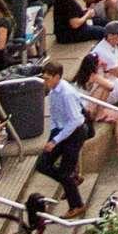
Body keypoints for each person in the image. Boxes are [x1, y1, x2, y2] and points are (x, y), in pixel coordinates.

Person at [33, 61, 97, 214]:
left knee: (63, 172)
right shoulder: (54, 91)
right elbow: (55, 116)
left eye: (48, 78)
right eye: (44, 78)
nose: (45, 81)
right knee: (43, 164)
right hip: (62, 131)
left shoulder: (66, 93)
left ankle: (76, 204)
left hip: (75, 133)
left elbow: (75, 120)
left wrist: (56, 140)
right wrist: (53, 138)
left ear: (57, 77)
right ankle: (70, 183)